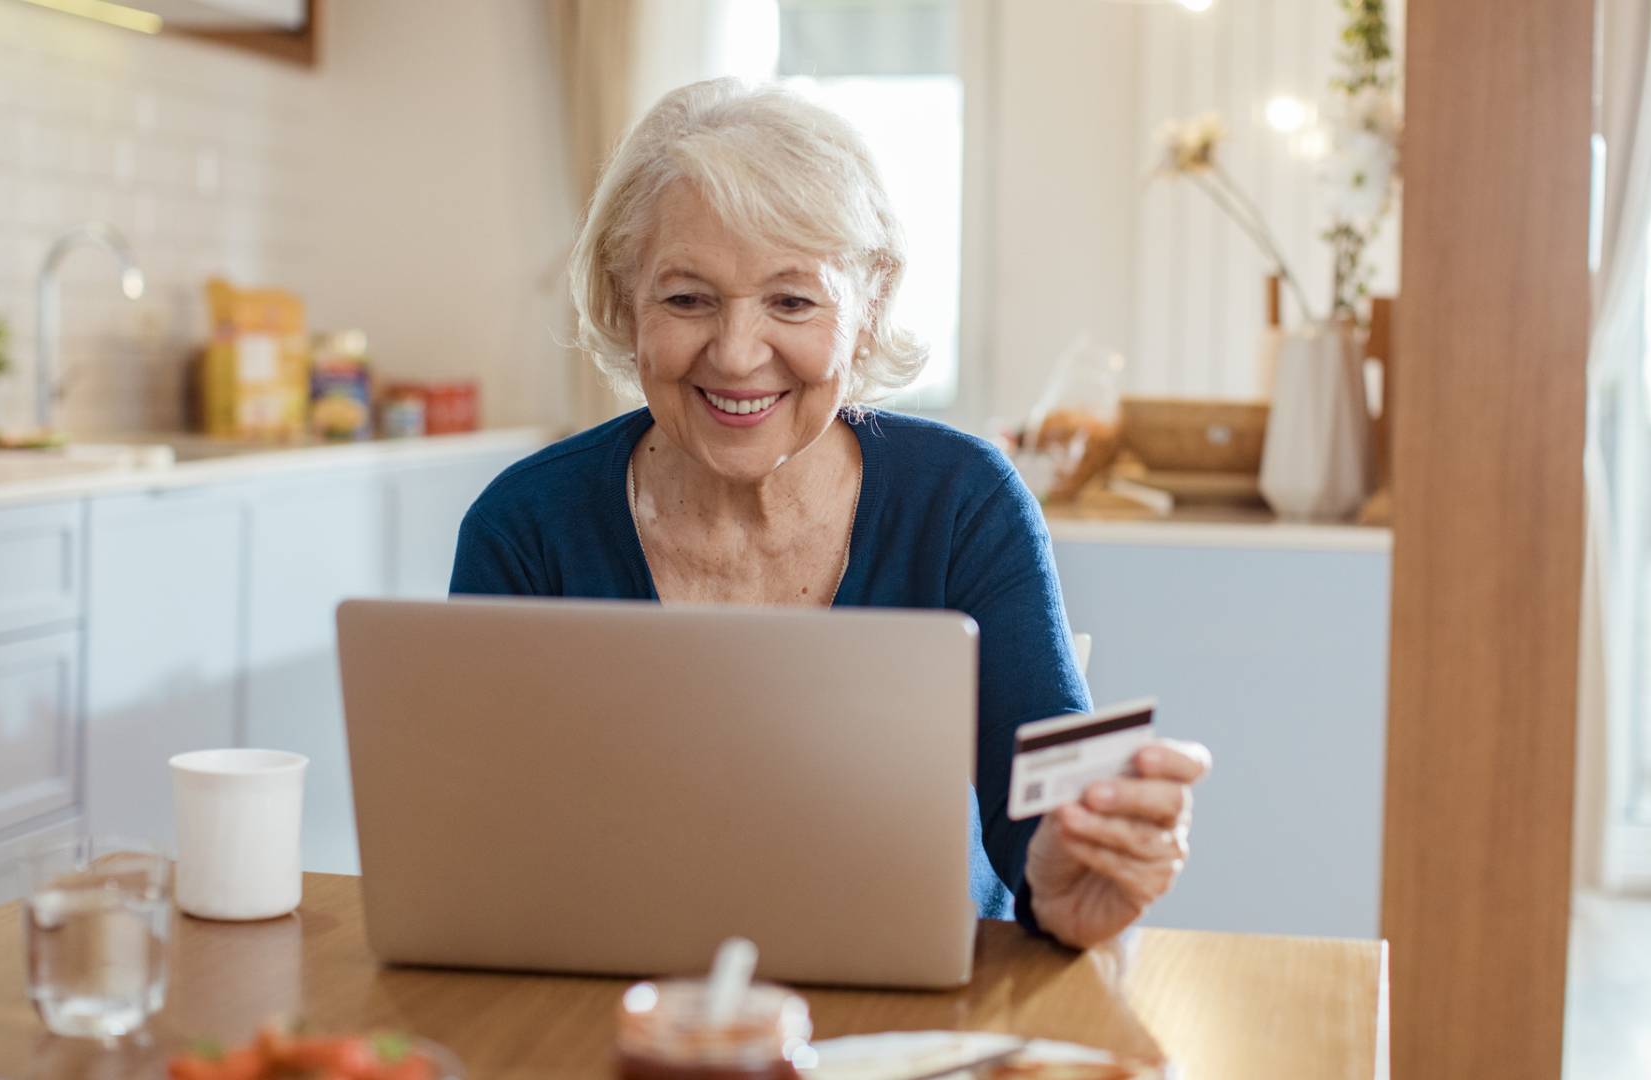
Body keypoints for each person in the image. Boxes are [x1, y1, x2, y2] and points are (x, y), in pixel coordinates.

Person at [450, 78, 1209, 948]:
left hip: (917, 1026)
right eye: (687, 298)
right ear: (627, 306)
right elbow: (481, 860)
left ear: (868, 308)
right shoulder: (526, 526)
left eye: (792, 300)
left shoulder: (961, 501)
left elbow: (1043, 824)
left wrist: (1078, 873)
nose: (737, 355)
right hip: (617, 1007)